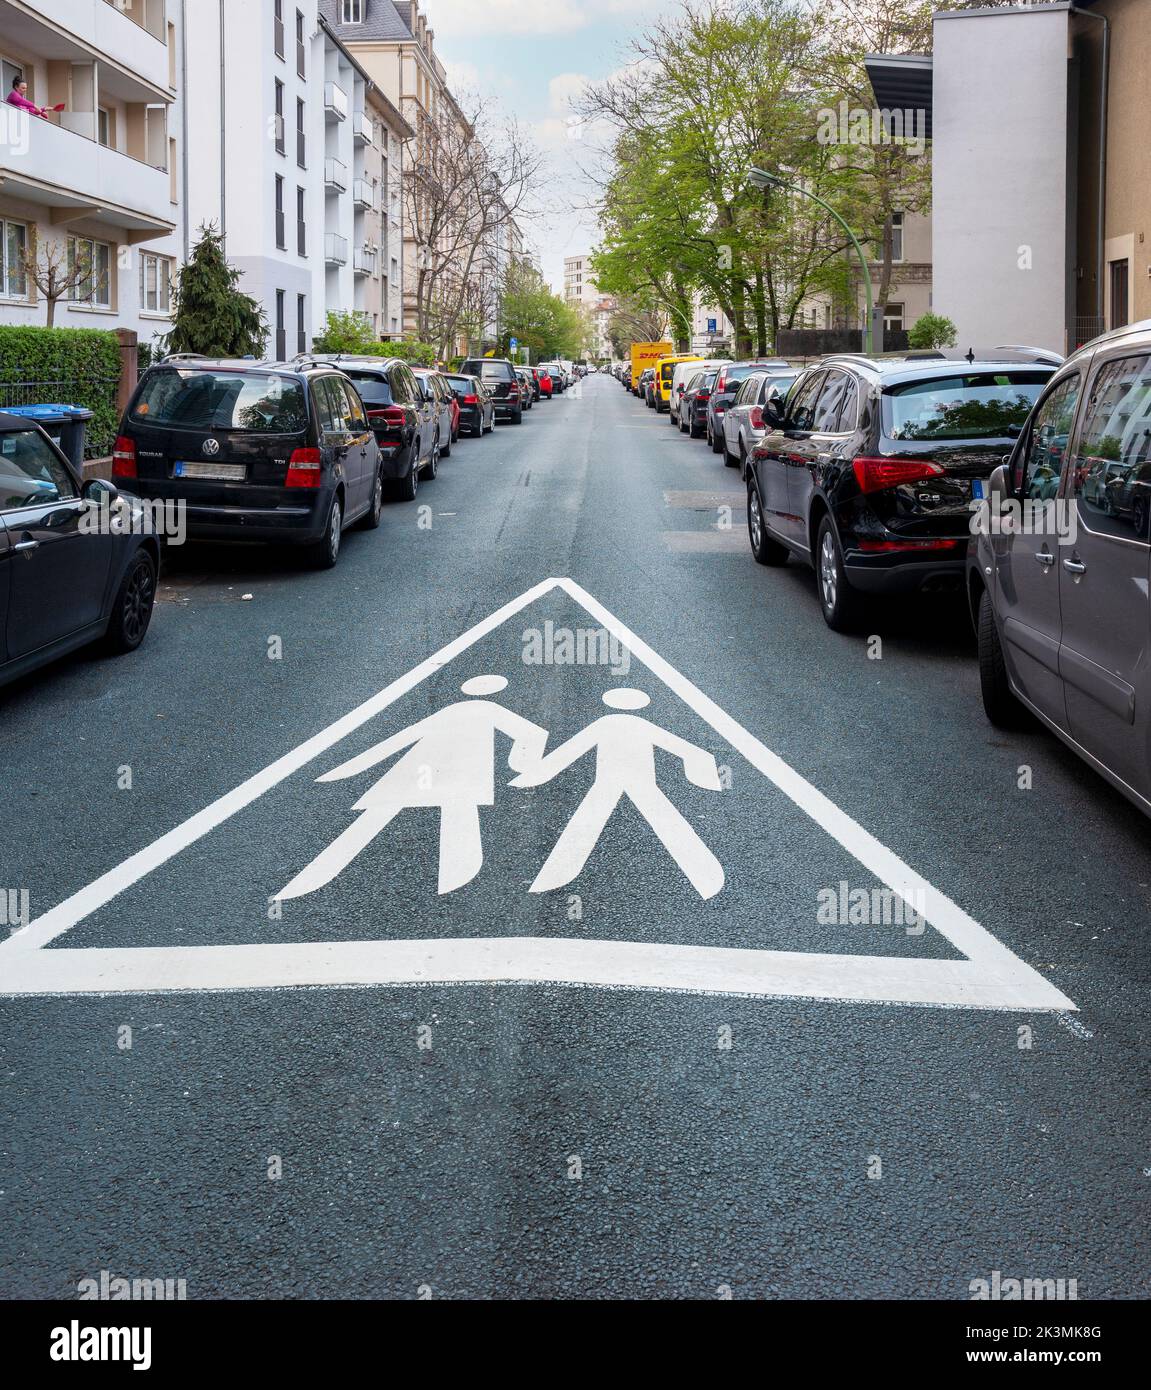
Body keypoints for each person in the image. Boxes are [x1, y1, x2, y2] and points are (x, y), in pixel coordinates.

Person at [276, 675, 548, 900]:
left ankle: (312, 877)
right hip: (460, 769)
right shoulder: (489, 709)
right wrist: (522, 763)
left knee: (380, 813)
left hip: (421, 766)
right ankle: (456, 877)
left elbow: (400, 739)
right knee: (458, 810)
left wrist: (354, 766)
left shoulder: (457, 710)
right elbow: (531, 734)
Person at [510, 688, 725, 900]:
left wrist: (537, 774)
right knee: (664, 819)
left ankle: (554, 875)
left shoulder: (606, 724)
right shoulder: (640, 724)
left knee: (588, 820)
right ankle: (705, 877)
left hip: (613, 782)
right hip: (635, 783)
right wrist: (704, 776)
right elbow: (688, 750)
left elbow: (571, 749)